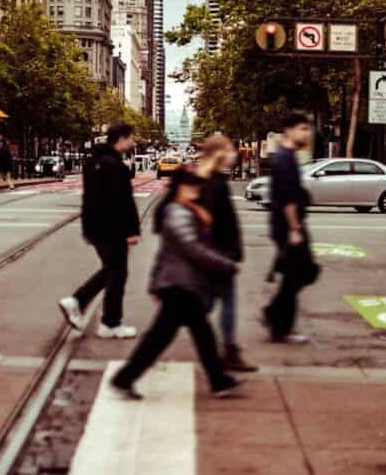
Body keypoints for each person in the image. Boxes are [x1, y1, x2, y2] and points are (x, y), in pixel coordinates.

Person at [109, 167, 243, 400]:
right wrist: (225, 264)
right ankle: (125, 378)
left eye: (197, 185)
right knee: (169, 337)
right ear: (179, 188)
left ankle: (218, 379)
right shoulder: (178, 213)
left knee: (192, 335)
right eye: (191, 185)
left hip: (180, 284)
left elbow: (165, 254)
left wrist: (154, 283)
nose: (196, 188)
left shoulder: (187, 210)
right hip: (180, 285)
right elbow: (192, 248)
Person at [59, 123, 142, 339]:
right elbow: (124, 202)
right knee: (118, 273)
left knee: (111, 270)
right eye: (131, 138)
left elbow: (88, 199)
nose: (133, 143)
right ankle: (109, 322)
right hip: (113, 229)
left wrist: (87, 228)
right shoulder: (116, 167)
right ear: (121, 139)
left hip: (96, 228)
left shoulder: (92, 163)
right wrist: (132, 230)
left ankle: (79, 302)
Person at [196, 135, 256, 372]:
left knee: (206, 305)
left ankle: (227, 349)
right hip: (220, 256)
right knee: (219, 304)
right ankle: (229, 351)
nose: (235, 152)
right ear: (220, 154)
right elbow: (213, 223)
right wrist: (227, 256)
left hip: (217, 255)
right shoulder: (215, 184)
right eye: (231, 149)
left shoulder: (212, 180)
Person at [263, 113, 319, 344]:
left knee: (296, 275)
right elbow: (287, 199)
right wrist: (295, 229)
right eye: (302, 128)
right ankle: (279, 323)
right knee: (301, 273)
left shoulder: (287, 157)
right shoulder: (284, 159)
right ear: (288, 130)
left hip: (288, 226)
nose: (307, 133)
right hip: (289, 227)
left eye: (308, 129)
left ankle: (276, 317)